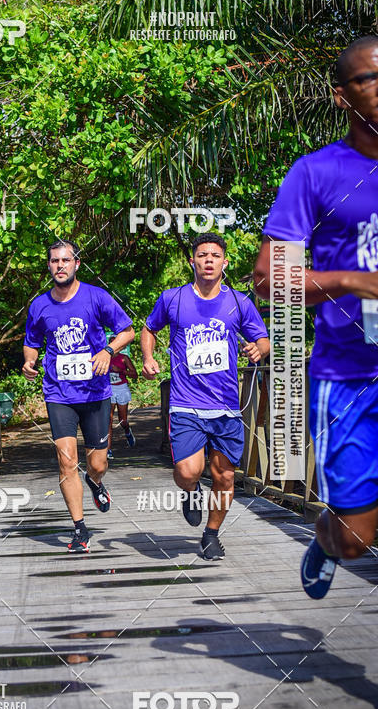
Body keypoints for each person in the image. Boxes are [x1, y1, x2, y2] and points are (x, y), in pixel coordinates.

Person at [254, 35, 378, 599]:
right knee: (357, 539)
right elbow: (267, 280)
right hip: (348, 375)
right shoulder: (316, 173)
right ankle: (328, 540)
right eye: (367, 79)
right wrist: (354, 281)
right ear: (340, 96)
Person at [141, 233, 270, 559]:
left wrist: (258, 348)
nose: (209, 260)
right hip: (186, 403)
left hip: (226, 405)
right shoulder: (173, 299)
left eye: (215, 255)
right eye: (203, 255)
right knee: (188, 471)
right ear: (193, 261)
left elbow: (263, 339)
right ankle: (190, 491)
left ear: (224, 262)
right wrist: (147, 357)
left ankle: (211, 534)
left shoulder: (240, 302)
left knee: (225, 476)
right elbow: (149, 328)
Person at [22, 239, 135, 552]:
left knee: (96, 463)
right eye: (55, 261)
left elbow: (127, 330)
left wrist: (108, 350)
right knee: (67, 461)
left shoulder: (96, 297)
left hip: (96, 392)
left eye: (66, 260)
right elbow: (31, 342)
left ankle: (96, 482)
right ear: (49, 266)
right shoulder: (39, 305)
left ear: (76, 264)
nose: (60, 265)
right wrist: (29, 360)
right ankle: (80, 528)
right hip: (59, 393)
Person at [107, 340, 138, 459]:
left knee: (122, 420)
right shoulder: (104, 357)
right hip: (109, 390)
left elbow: (134, 374)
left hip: (121, 389)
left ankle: (127, 430)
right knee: (108, 420)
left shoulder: (123, 358)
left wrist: (121, 371)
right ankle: (108, 449)